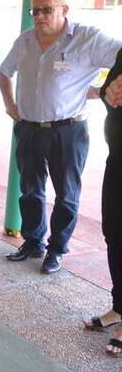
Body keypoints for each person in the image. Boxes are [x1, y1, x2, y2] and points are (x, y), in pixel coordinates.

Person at [0, 0, 122, 274]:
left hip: (69, 130)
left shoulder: (87, 38)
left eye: (47, 9)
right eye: (35, 11)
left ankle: (56, 249)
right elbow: (5, 71)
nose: (39, 16)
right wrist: (9, 103)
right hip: (29, 128)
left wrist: (107, 89)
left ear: (64, 9)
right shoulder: (25, 40)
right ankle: (32, 242)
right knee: (30, 189)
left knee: (66, 194)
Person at [84, 48, 122, 355]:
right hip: (118, 157)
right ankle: (119, 307)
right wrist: (110, 94)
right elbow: (112, 99)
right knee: (114, 233)